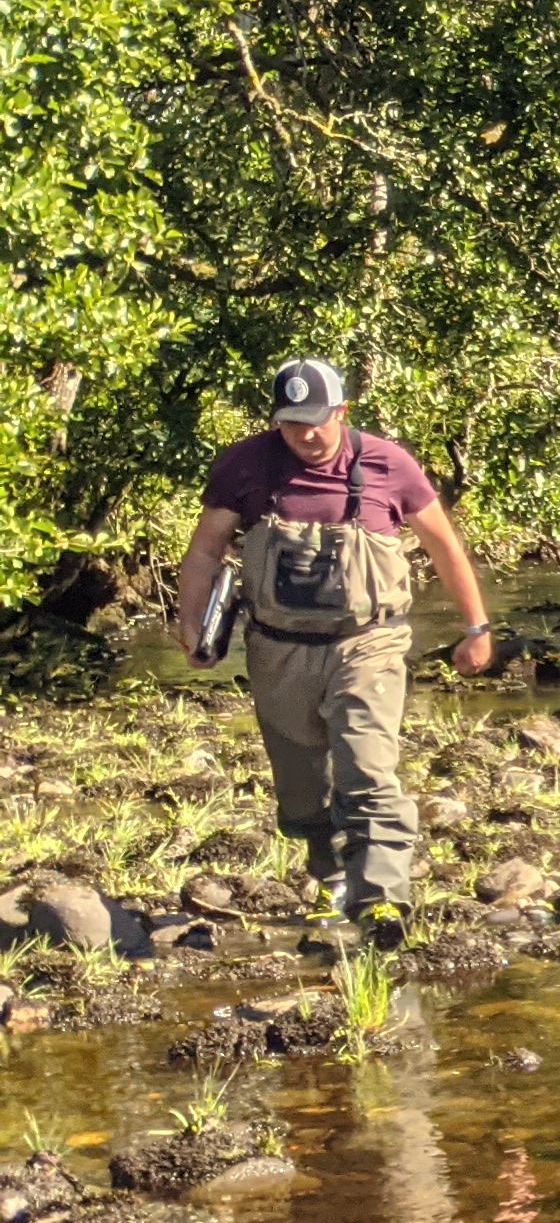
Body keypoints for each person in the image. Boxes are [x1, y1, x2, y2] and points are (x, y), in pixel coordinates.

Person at [171, 358, 498, 943]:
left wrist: (476, 628)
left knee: (369, 771)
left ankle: (381, 902)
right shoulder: (245, 466)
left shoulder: (388, 464)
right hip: (278, 651)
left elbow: (444, 546)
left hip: (368, 642)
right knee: (303, 788)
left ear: (341, 412)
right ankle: (329, 873)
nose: (307, 435)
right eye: (293, 424)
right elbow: (204, 550)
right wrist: (192, 625)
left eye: (318, 421)